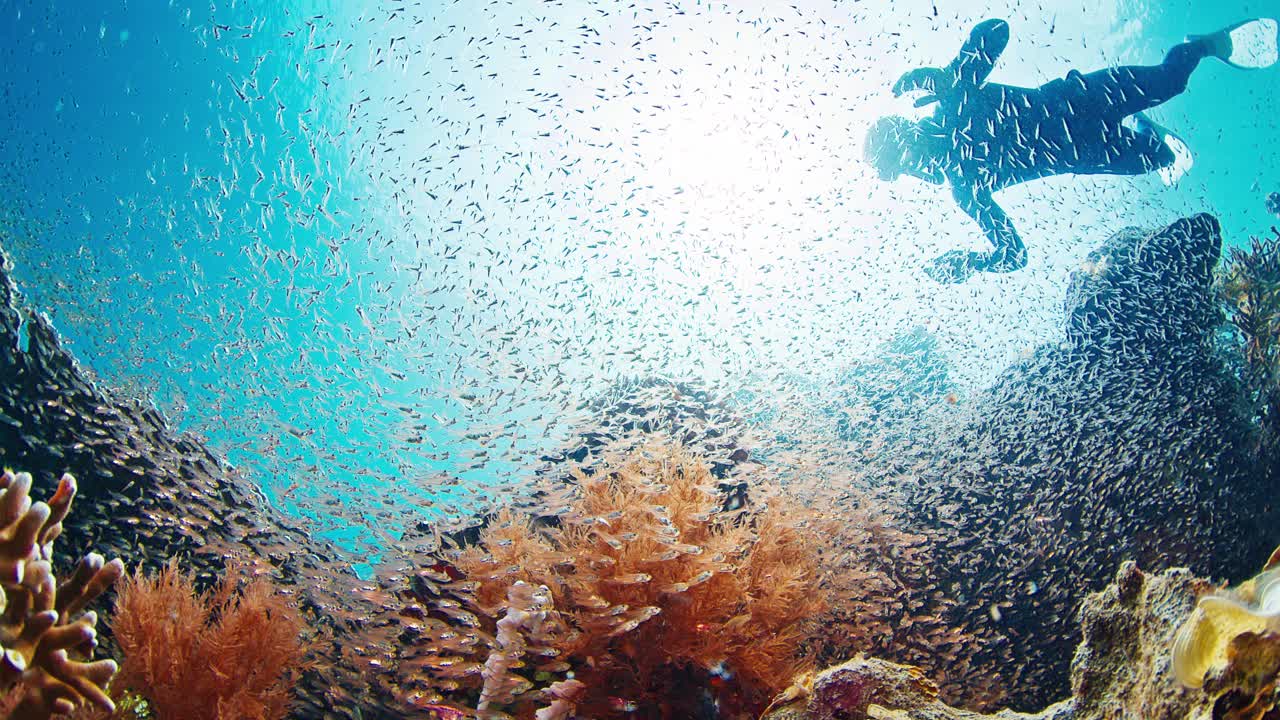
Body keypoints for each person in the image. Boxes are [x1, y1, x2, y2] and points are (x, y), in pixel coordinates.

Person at [866, 18, 1279, 283]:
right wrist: (974, 263)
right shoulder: (964, 187)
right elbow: (1015, 255)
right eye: (904, 171)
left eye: (905, 160)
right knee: (1162, 158)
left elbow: (997, 29)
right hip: (1088, 153)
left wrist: (953, 73)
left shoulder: (954, 100)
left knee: (1172, 81)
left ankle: (1202, 43)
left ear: (908, 132)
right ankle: (1145, 131)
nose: (917, 170)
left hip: (1083, 98)